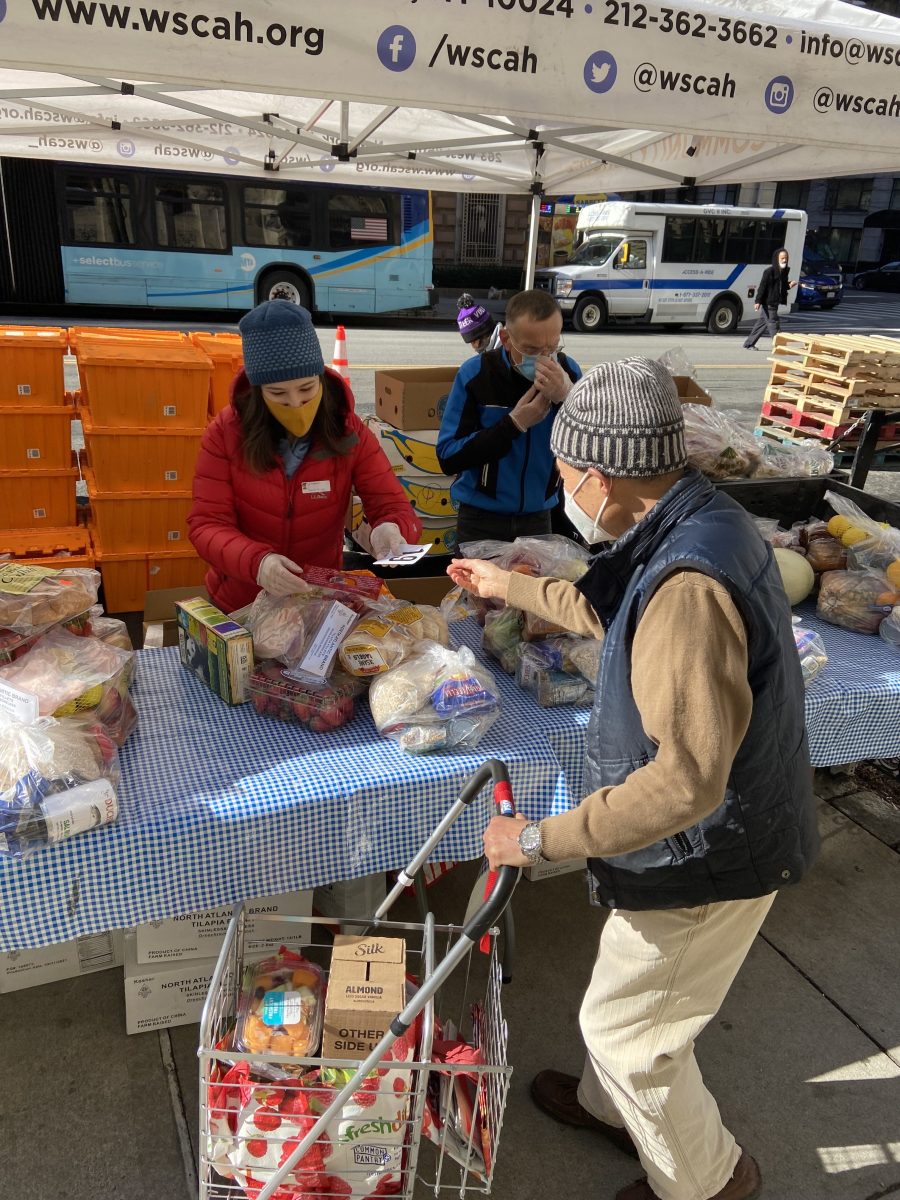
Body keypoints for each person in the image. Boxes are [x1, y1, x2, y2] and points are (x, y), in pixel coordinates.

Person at [448, 356, 819, 1200]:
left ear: (601, 474)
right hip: (702, 834)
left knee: (630, 1037)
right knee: (628, 996)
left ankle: (712, 1179)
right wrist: (512, 585)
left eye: (565, 468)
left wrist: (537, 840)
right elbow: (611, 606)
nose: (561, 484)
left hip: (709, 851)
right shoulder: (690, 518)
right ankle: (610, 1108)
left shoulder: (689, 584)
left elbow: (685, 783)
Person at [188, 300, 422, 613]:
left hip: (317, 599)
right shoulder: (226, 432)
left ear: (321, 379)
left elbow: (391, 504)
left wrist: (391, 529)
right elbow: (206, 525)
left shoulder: (346, 429)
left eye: (307, 389)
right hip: (242, 601)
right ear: (258, 392)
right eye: (278, 394)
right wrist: (258, 563)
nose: (296, 403)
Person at [438, 288, 582, 544]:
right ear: (505, 338)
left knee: (532, 586)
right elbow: (448, 457)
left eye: (552, 347)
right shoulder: (476, 374)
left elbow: (591, 448)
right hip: (481, 519)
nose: (544, 358)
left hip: (539, 517)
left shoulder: (568, 371)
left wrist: (568, 398)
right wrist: (513, 425)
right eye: (532, 349)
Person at [743, 247, 797, 350]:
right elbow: (762, 287)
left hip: (775, 302)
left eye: (786, 258)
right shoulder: (769, 272)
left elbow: (782, 287)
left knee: (762, 324)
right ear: (777, 259)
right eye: (782, 258)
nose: (784, 260)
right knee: (773, 323)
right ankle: (779, 346)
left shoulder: (784, 271)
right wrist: (758, 301)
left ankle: (749, 344)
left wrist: (790, 285)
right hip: (769, 302)